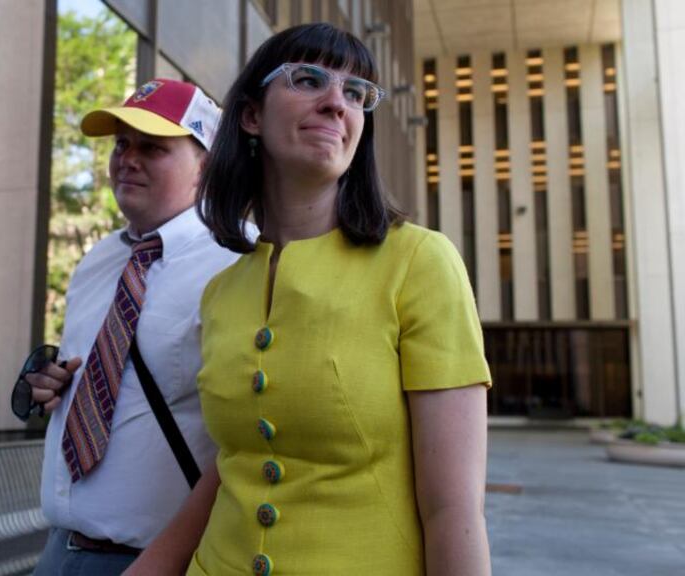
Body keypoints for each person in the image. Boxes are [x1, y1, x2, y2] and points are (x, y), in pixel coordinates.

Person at [127, 24, 492, 576]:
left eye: (355, 94)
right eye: (308, 79)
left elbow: (453, 511)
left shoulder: (420, 263)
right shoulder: (222, 291)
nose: (335, 103)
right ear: (251, 116)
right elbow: (234, 465)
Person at [25, 78, 241, 575]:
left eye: (152, 147)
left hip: (162, 562)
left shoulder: (239, 261)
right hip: (58, 550)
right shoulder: (98, 261)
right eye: (122, 144)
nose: (128, 158)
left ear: (206, 165)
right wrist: (52, 383)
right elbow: (104, 383)